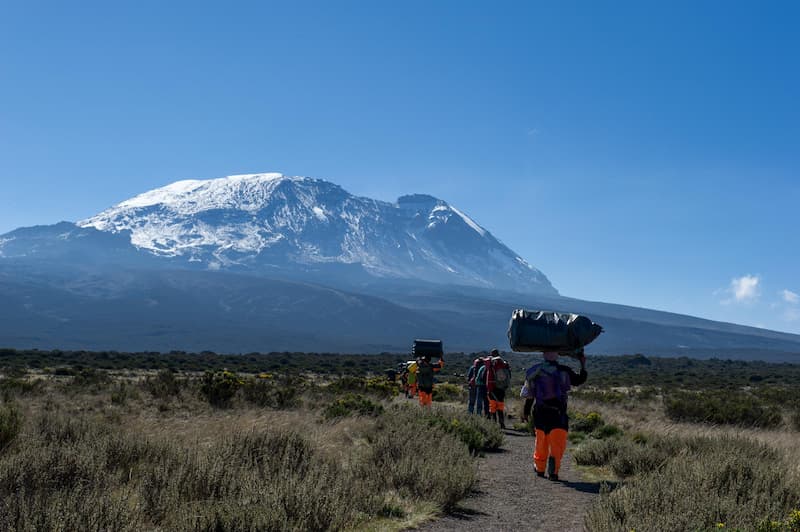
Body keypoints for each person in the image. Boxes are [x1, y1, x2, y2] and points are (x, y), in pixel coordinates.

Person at [521, 350, 587, 481]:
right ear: (557, 355)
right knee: (557, 444)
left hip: (540, 413)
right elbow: (579, 380)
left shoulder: (536, 371)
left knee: (541, 442)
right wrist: (582, 364)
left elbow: (530, 395)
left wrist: (526, 411)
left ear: (544, 355)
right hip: (558, 414)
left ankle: (540, 468)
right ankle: (554, 472)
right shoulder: (564, 370)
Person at [486, 349, 511, 429]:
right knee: (500, 406)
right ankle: (502, 423)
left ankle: (494, 424)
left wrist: (489, 389)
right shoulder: (504, 364)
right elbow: (509, 376)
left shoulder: (491, 365)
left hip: (493, 388)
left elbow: (488, 378)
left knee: (493, 406)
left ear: (492, 354)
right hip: (502, 388)